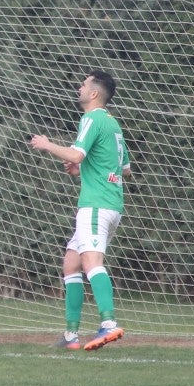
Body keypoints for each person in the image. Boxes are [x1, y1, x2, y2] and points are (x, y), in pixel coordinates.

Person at [29, 70, 131, 351]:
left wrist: (46, 144)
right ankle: (71, 336)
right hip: (110, 204)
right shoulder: (113, 125)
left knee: (91, 263)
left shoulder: (92, 118)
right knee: (71, 264)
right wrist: (82, 169)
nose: (79, 87)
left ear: (95, 93)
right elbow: (125, 169)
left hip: (97, 204)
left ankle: (108, 324)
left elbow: (76, 154)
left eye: (84, 84)